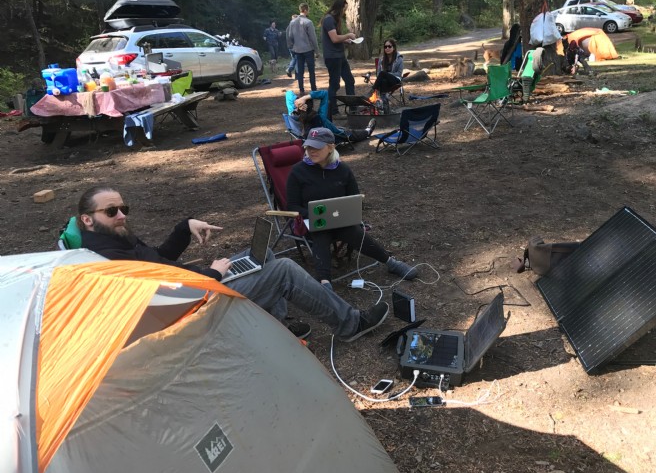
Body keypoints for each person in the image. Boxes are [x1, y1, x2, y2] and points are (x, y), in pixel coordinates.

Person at [75, 186, 389, 343]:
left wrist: (185, 227)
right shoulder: (107, 260)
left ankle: (275, 325)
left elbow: (160, 260)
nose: (122, 216)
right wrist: (212, 275)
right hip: (195, 307)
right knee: (283, 270)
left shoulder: (114, 240)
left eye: (123, 208)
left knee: (262, 256)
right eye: (111, 211)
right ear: (88, 219)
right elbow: (157, 302)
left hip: (197, 287)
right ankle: (350, 324)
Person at [286, 128, 418, 290]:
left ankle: (391, 263)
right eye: (308, 147)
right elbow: (292, 205)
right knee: (320, 233)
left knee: (353, 231)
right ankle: (324, 282)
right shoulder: (298, 172)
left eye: (317, 147)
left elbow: (354, 199)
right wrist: (314, 213)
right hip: (312, 221)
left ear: (331, 147)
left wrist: (345, 211)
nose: (311, 151)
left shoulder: (342, 170)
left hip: (339, 220)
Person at [286, 89, 375, 144]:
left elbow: (288, 93)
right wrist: (305, 98)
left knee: (340, 128)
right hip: (335, 136)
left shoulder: (294, 114)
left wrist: (297, 102)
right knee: (349, 133)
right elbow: (324, 93)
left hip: (316, 137)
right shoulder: (319, 118)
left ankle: (364, 130)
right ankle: (367, 131)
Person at [320, 0, 357, 118]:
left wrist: (347, 41)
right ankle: (333, 111)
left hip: (340, 55)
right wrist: (348, 35)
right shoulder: (329, 20)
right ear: (339, 8)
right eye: (344, 9)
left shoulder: (334, 20)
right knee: (335, 84)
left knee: (350, 80)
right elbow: (334, 38)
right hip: (332, 57)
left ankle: (353, 108)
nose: (345, 12)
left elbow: (337, 39)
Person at [287, 3, 318, 95]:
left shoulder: (292, 22)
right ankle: (313, 89)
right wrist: (316, 50)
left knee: (300, 71)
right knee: (311, 70)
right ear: (305, 10)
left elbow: (290, 36)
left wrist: (292, 46)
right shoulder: (308, 22)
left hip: (297, 50)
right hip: (308, 49)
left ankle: (301, 89)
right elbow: (313, 38)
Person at [370, 38, 404, 106]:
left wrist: (387, 74)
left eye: (389, 46)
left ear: (393, 47)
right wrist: (385, 76)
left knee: (383, 73)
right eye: (385, 47)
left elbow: (399, 73)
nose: (387, 48)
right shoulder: (382, 59)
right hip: (384, 82)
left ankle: (372, 90)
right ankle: (385, 104)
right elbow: (378, 74)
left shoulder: (399, 58)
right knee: (383, 81)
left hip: (395, 80)